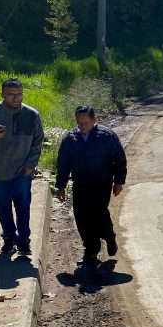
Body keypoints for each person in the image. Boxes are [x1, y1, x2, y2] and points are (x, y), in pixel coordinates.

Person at [0, 78, 44, 256]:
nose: (16, 98)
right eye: (11, 95)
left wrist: (31, 164)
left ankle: (23, 241)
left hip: (22, 170)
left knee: (23, 206)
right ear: (2, 94)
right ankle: (9, 238)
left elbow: (38, 141)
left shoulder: (31, 114)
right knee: (3, 207)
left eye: (19, 94)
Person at [54, 106, 127, 269]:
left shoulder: (107, 136)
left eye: (86, 122)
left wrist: (119, 181)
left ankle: (109, 236)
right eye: (79, 122)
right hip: (81, 183)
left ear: (94, 120)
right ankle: (91, 250)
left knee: (98, 213)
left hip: (102, 182)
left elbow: (119, 159)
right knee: (82, 217)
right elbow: (63, 164)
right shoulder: (70, 139)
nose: (82, 125)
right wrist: (60, 186)